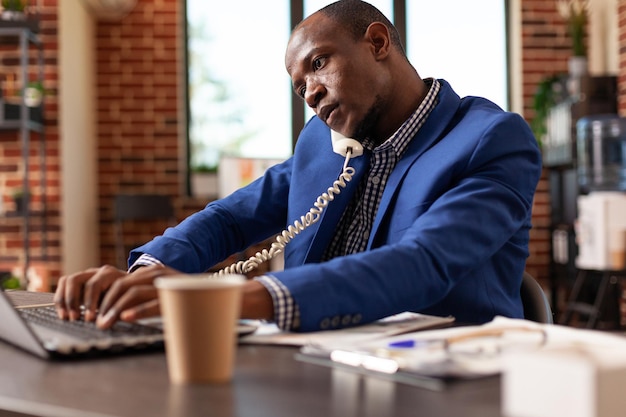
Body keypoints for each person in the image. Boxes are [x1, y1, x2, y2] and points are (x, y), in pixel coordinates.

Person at [54, 0, 542, 332]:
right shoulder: (325, 142)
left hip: (443, 382)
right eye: (297, 86)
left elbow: (423, 263)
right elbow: (232, 216)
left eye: (318, 63)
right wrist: (150, 272)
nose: (309, 93)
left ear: (377, 43)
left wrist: (229, 300)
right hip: (314, 364)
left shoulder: (490, 141)